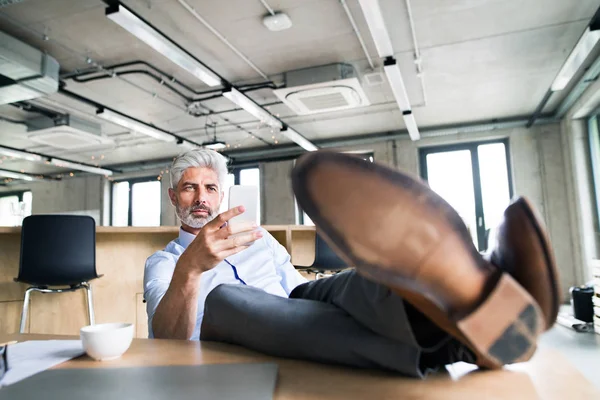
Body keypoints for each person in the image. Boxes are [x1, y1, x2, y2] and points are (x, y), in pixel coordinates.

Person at [145, 149, 559, 378]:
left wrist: (341, 293)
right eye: (189, 189)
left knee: (345, 285)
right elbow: (168, 343)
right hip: (232, 337)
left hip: (293, 306)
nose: (201, 197)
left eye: (210, 188)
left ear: (221, 195)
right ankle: (466, 329)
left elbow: (295, 289)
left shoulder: (259, 238)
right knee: (228, 298)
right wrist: (192, 268)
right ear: (173, 198)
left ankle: (465, 296)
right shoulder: (163, 263)